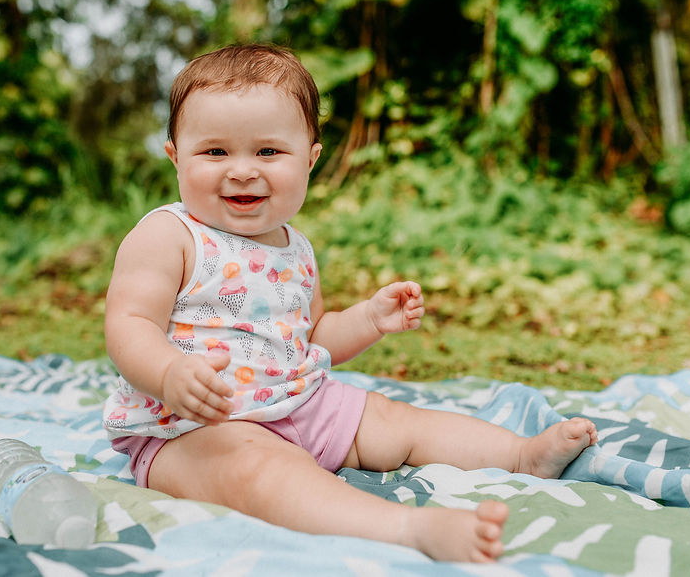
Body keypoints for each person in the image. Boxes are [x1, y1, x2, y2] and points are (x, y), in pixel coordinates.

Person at [102, 43, 598, 563]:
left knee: (395, 421)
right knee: (260, 472)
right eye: (215, 152)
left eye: (268, 152)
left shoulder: (295, 247)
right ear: (175, 155)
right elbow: (128, 324)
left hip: (299, 405)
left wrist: (367, 320)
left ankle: (520, 455)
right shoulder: (170, 234)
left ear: (310, 160)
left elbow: (313, 337)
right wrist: (168, 374)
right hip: (193, 430)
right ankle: (406, 529)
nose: (243, 170)